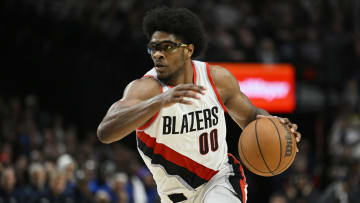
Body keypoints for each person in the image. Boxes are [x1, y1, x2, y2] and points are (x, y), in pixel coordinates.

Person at [97, 7, 301, 203]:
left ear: (188, 50)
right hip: (173, 196)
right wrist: (159, 102)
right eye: (153, 47)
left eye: (167, 47)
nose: (157, 54)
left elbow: (252, 116)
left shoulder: (216, 79)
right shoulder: (145, 90)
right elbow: (105, 132)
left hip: (219, 179)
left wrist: (276, 125)